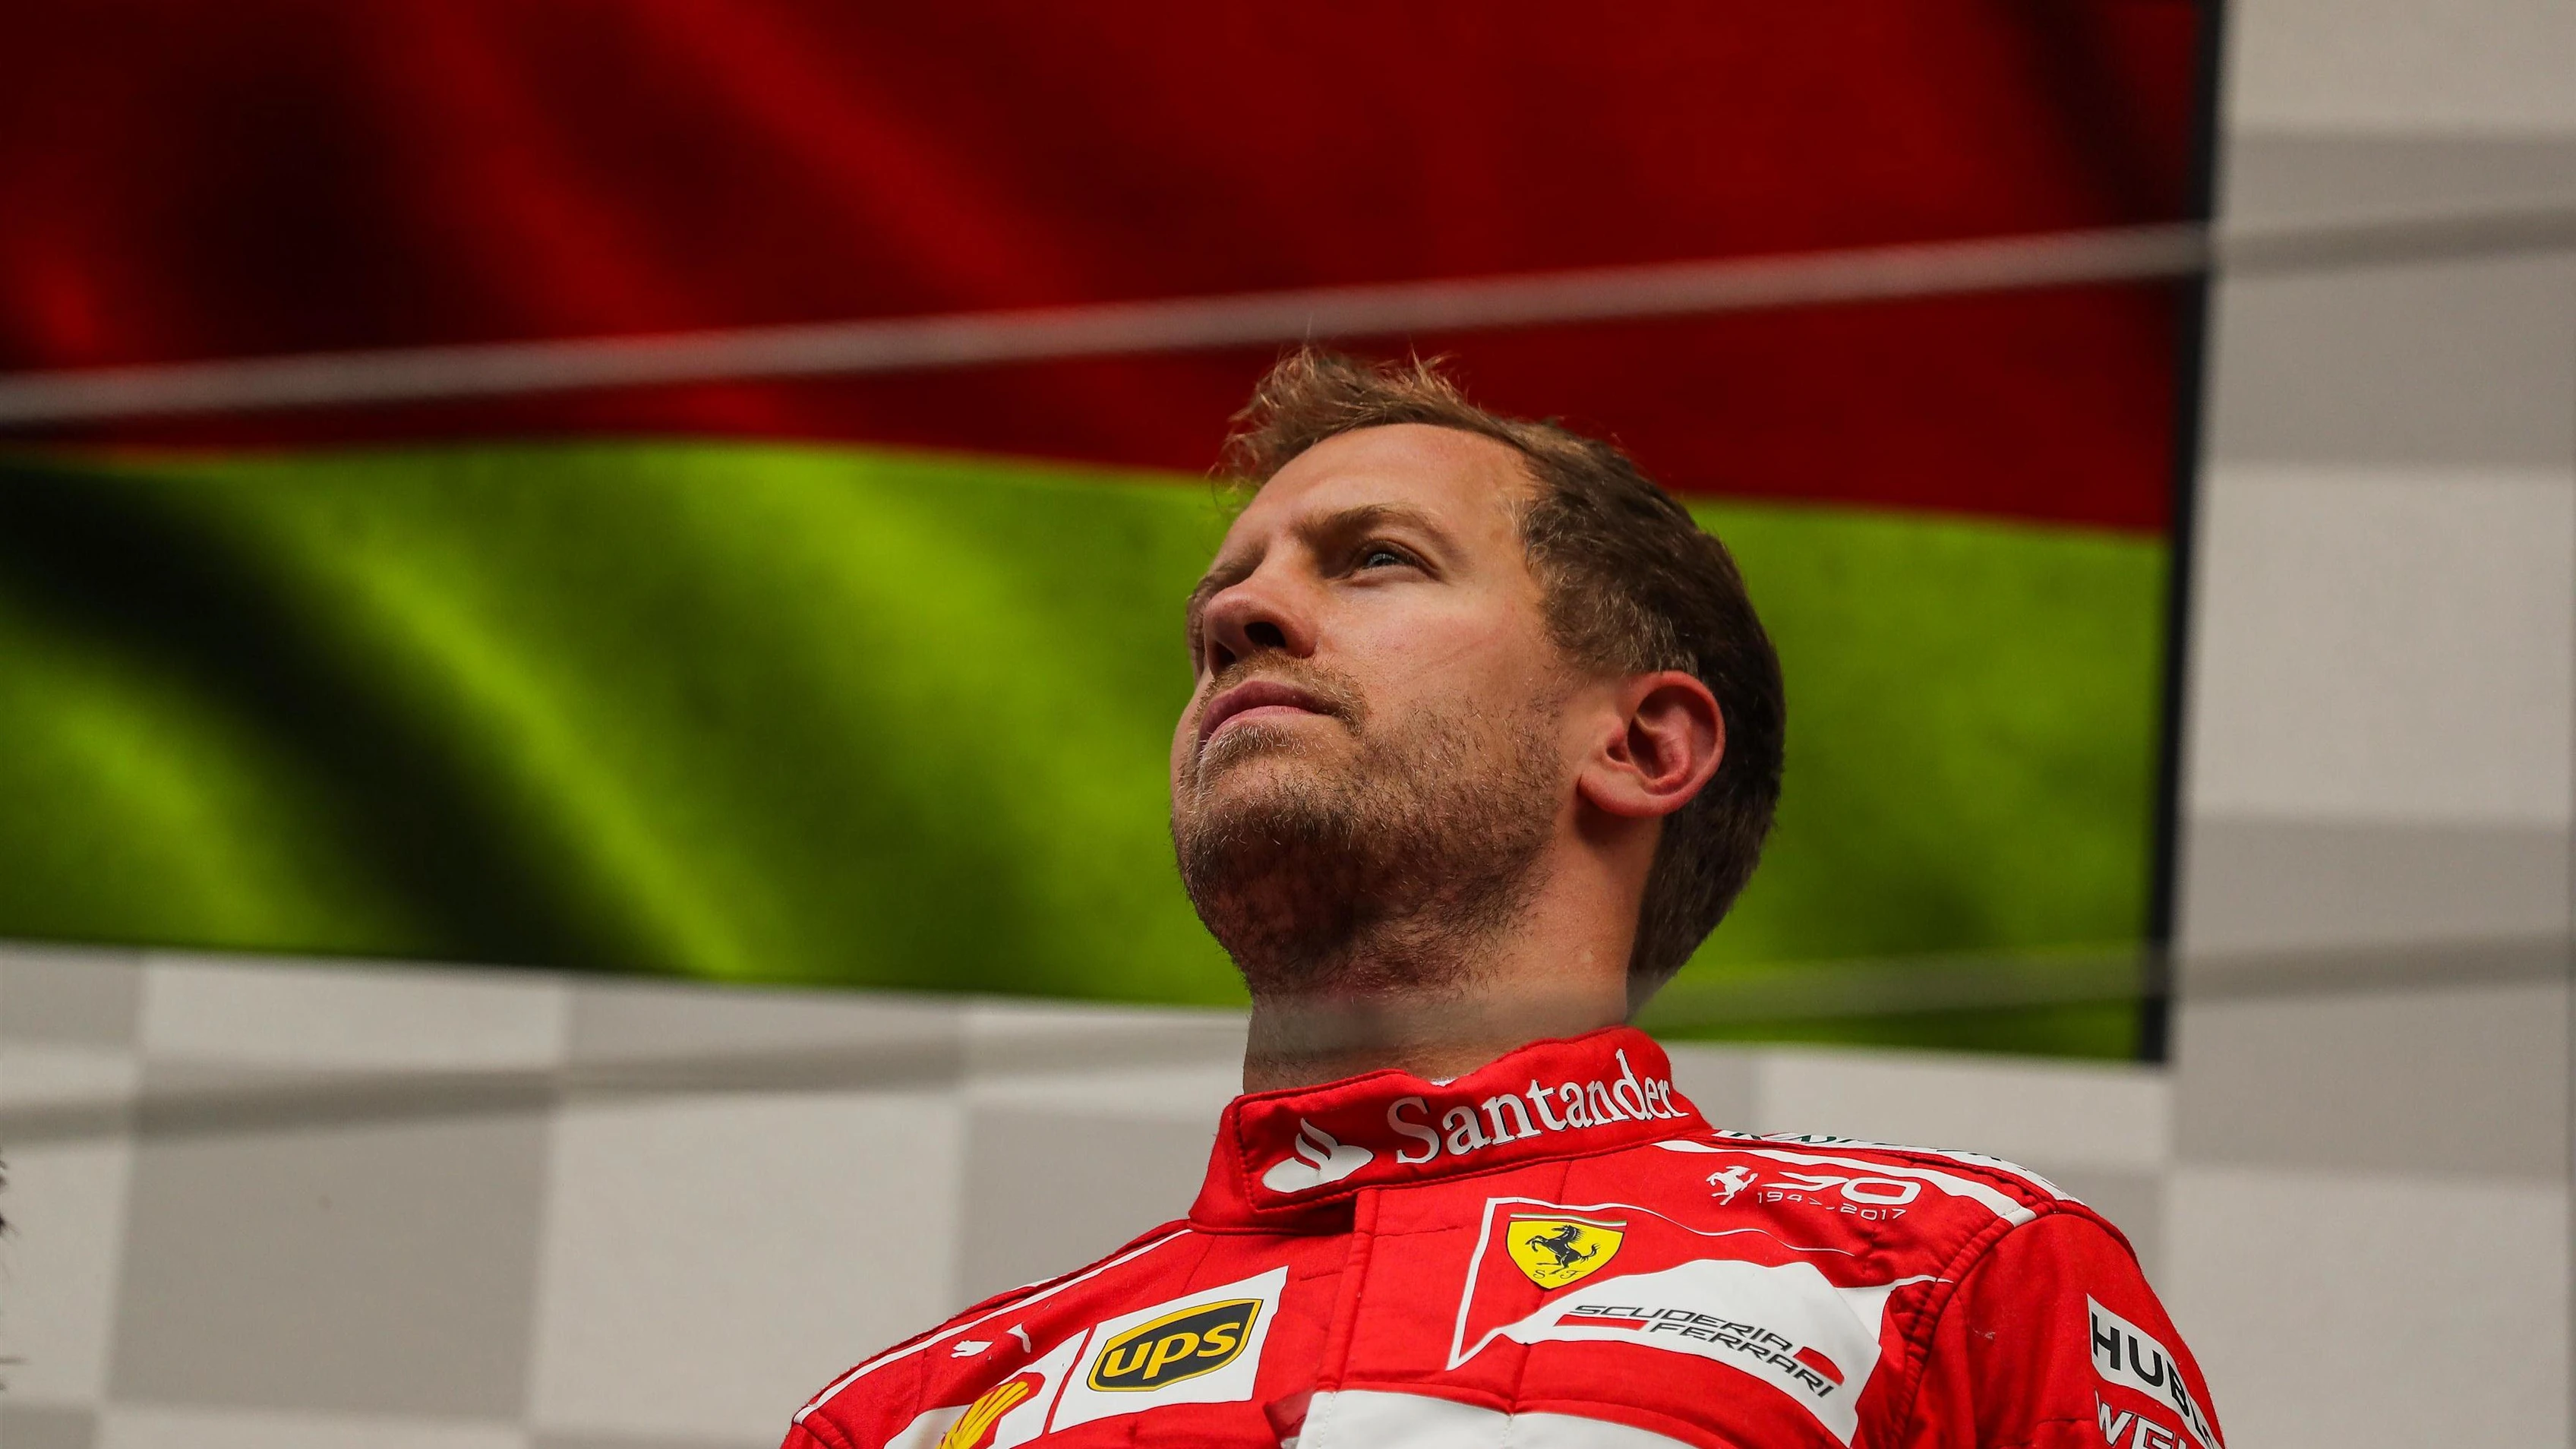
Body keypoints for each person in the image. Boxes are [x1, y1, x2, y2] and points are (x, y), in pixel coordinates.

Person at [785, 352, 2221, 1449]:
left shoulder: (1944, 1286)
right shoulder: (917, 1413)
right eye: (1219, 604)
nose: (1234, 619)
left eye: (1375, 559)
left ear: (1642, 745)